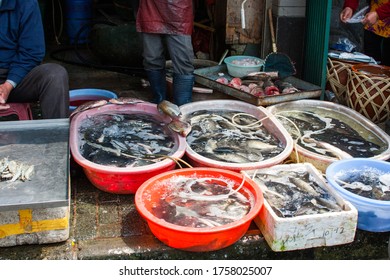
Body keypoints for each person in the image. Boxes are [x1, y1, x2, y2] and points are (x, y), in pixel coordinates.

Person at [0, 0, 69, 119]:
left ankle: (56, 136)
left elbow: (32, 52)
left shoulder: (26, 3)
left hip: (15, 78)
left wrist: (8, 85)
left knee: (55, 75)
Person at [135, 0, 195, 106]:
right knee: (152, 58)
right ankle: (159, 101)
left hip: (178, 10)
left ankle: (183, 106)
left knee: (183, 60)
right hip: (150, 8)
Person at [340, 0, 390, 66]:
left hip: (379, 16)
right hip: (373, 25)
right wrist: (349, 6)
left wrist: (378, 13)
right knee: (371, 67)